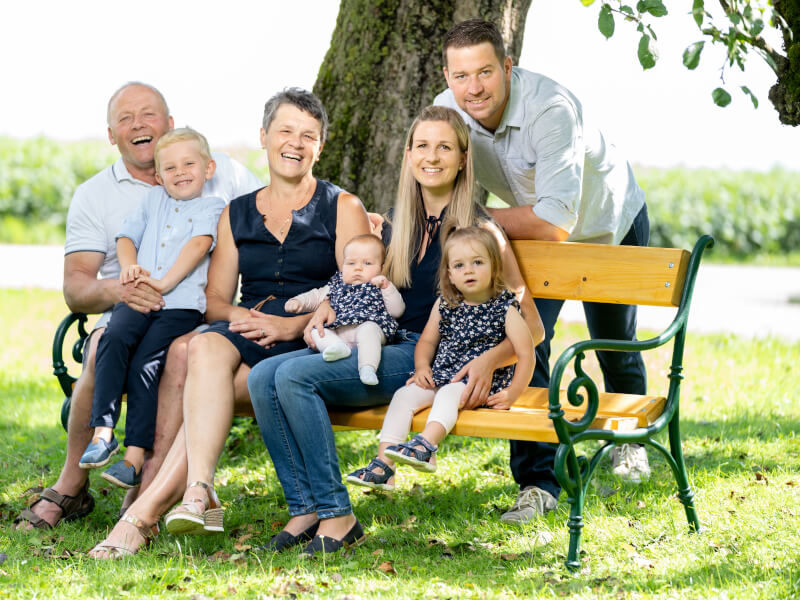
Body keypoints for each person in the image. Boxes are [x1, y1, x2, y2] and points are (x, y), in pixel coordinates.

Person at [246, 105, 544, 557]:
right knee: (261, 377)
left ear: (463, 158)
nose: (432, 156)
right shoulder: (393, 223)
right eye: (422, 145)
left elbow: (533, 327)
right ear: (407, 155)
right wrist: (328, 304)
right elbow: (360, 280)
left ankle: (337, 515)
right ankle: (306, 509)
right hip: (382, 339)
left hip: (427, 361)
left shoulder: (481, 232)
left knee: (292, 377)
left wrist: (486, 360)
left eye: (444, 147)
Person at [88, 88, 370, 555]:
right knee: (198, 345)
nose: (295, 143)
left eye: (308, 135)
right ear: (263, 136)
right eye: (285, 131)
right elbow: (215, 301)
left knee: (205, 376)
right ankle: (198, 491)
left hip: (315, 339)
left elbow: (357, 292)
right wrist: (245, 317)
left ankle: (143, 517)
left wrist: (291, 327)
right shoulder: (235, 213)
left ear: (320, 146)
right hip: (250, 330)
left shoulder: (342, 207)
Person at [13, 82, 262, 532]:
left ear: (169, 123)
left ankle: (148, 481)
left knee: (180, 354)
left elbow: (281, 203)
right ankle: (72, 484)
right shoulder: (97, 193)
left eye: (148, 114)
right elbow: (77, 287)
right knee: (103, 345)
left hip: (194, 310)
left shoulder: (222, 171)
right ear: (112, 135)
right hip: (125, 305)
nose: (138, 125)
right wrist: (124, 289)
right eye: (125, 119)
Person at [434, 19, 652, 523]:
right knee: (525, 339)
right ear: (447, 76)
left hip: (606, 223)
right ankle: (540, 482)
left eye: (485, 72)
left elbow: (555, 221)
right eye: (461, 76)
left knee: (614, 342)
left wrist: (475, 220)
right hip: (527, 232)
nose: (474, 88)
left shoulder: (551, 109)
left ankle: (630, 441)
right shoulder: (448, 112)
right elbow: (441, 186)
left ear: (507, 67)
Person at [79, 128, 225, 489]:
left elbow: (197, 245)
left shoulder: (212, 207)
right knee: (113, 338)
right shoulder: (152, 200)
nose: (180, 172)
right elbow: (126, 237)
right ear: (159, 176)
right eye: (170, 168)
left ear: (208, 168)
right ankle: (103, 431)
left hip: (180, 306)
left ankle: (134, 457)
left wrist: (164, 282)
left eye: (189, 164)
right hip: (140, 295)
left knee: (146, 363)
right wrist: (130, 267)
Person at [347, 226, 534, 490]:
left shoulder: (504, 308)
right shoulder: (446, 303)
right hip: (443, 375)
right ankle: (383, 467)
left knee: (447, 394)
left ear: (494, 267)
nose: (468, 270)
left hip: (479, 384)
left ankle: (426, 446)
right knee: (404, 395)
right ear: (449, 274)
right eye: (459, 265)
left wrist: (513, 392)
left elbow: (527, 353)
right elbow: (427, 341)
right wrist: (422, 367)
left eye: (478, 262)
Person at [284, 233, 405, 386]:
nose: (358, 268)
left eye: (367, 263)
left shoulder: (379, 285)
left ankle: (368, 367)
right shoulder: (337, 284)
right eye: (351, 263)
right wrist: (298, 302)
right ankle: (335, 347)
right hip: (339, 331)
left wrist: (387, 287)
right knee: (317, 331)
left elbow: (397, 311)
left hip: (368, 326)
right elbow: (316, 295)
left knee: (369, 330)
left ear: (381, 267)